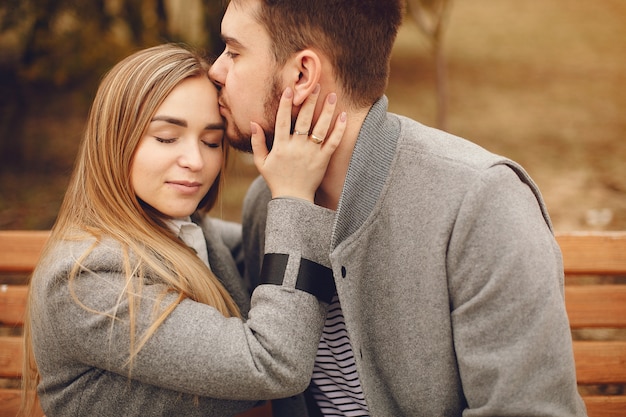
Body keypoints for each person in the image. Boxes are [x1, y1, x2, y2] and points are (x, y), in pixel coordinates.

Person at [208, 1, 588, 416]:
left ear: (301, 75)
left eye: (233, 51)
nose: (216, 70)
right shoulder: (270, 204)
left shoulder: (481, 203)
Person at [21, 43, 347, 417]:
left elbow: (266, 247)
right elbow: (272, 366)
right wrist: (293, 197)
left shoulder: (184, 229)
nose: (195, 161)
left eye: (211, 142)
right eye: (166, 137)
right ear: (114, 141)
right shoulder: (87, 277)